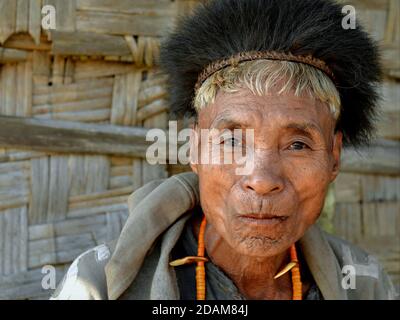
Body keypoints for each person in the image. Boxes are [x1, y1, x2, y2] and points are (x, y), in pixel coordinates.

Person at [51, 0, 398, 300]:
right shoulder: (100, 283)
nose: (261, 180)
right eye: (232, 141)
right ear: (196, 148)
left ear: (333, 158)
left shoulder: (364, 285)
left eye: (297, 144)